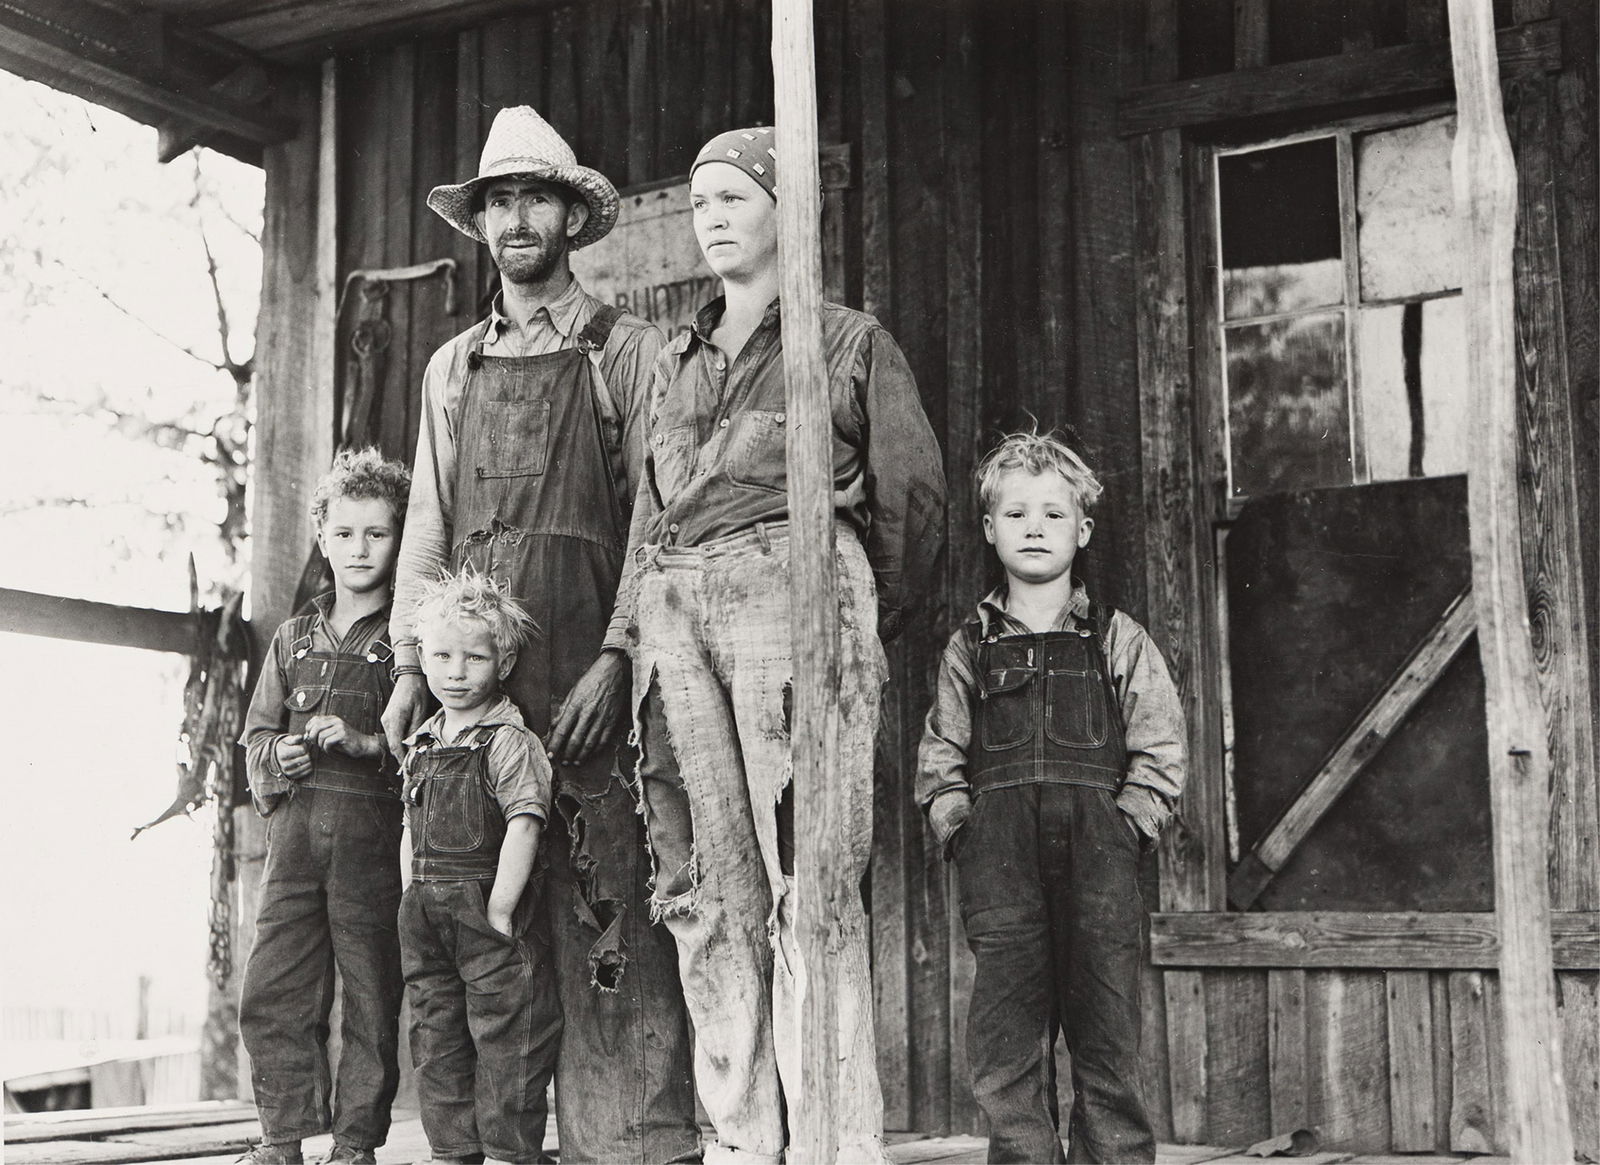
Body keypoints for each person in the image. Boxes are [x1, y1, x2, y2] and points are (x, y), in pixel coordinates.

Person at [610, 126, 946, 1164]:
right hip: (678, 614)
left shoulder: (846, 342)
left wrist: (849, 616)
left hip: (792, 597)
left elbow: (914, 498)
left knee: (813, 877)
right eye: (699, 201)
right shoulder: (675, 355)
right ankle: (744, 1140)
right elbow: (649, 515)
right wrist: (633, 634)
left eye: (733, 198)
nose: (710, 217)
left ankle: (836, 1144)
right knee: (710, 890)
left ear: (784, 211)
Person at [382, 105, 698, 1163]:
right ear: (481, 225)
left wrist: (616, 653)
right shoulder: (450, 367)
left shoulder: (630, 352)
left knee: (615, 919)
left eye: (535, 198)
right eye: (498, 202)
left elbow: (655, 523)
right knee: (486, 934)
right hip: (473, 696)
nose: (517, 219)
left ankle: (636, 1147)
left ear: (571, 214)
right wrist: (408, 667)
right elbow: (427, 524)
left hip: (590, 683)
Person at [916, 430, 1187, 1164]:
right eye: (1015, 513)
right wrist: (961, 830)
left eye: (1053, 514)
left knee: (1107, 1033)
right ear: (989, 528)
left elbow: (1160, 749)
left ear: (1083, 529)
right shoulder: (969, 648)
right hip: (1000, 864)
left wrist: (1129, 826)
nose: (1034, 527)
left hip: (1102, 860)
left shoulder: (1117, 640)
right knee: (1008, 1040)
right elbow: (940, 756)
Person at [237, 448, 413, 1165]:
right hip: (295, 845)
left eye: (377, 533)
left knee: (371, 996)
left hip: (371, 846)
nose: (359, 548)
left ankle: (355, 1146)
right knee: (273, 987)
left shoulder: (410, 644)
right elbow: (252, 738)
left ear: (401, 539)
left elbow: (433, 747)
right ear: (321, 537)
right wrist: (276, 754)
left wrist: (370, 742)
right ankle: (281, 1140)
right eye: (344, 533)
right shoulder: (293, 638)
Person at [398, 571, 559, 1165]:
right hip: (426, 915)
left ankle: (508, 1152)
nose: (455, 672)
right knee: (436, 1035)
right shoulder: (423, 742)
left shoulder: (508, 741)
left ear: (505, 659)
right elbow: (409, 827)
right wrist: (409, 892)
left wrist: (500, 907)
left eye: (474, 657)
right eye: (441, 656)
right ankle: (452, 1150)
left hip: (485, 912)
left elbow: (525, 822)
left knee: (506, 1035)